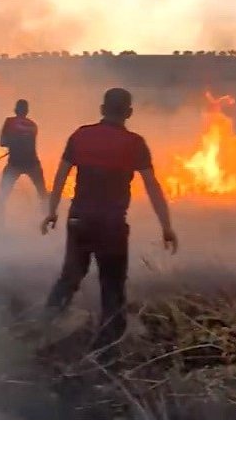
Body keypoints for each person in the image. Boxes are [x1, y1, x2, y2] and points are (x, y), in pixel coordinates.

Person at [41, 88, 178, 355]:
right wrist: (166, 226)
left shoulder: (80, 135)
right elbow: (152, 186)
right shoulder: (135, 143)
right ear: (129, 113)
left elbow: (60, 177)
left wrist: (52, 211)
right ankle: (110, 348)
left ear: (102, 109)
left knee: (70, 276)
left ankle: (46, 324)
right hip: (112, 226)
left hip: (79, 220)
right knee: (113, 284)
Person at [0, 99, 47, 226]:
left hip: (15, 164)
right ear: (27, 111)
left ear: (15, 110)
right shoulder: (33, 125)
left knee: (2, 196)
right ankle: (48, 220)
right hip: (32, 163)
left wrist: (11, 144)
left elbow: (2, 142)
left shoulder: (9, 122)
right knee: (42, 193)